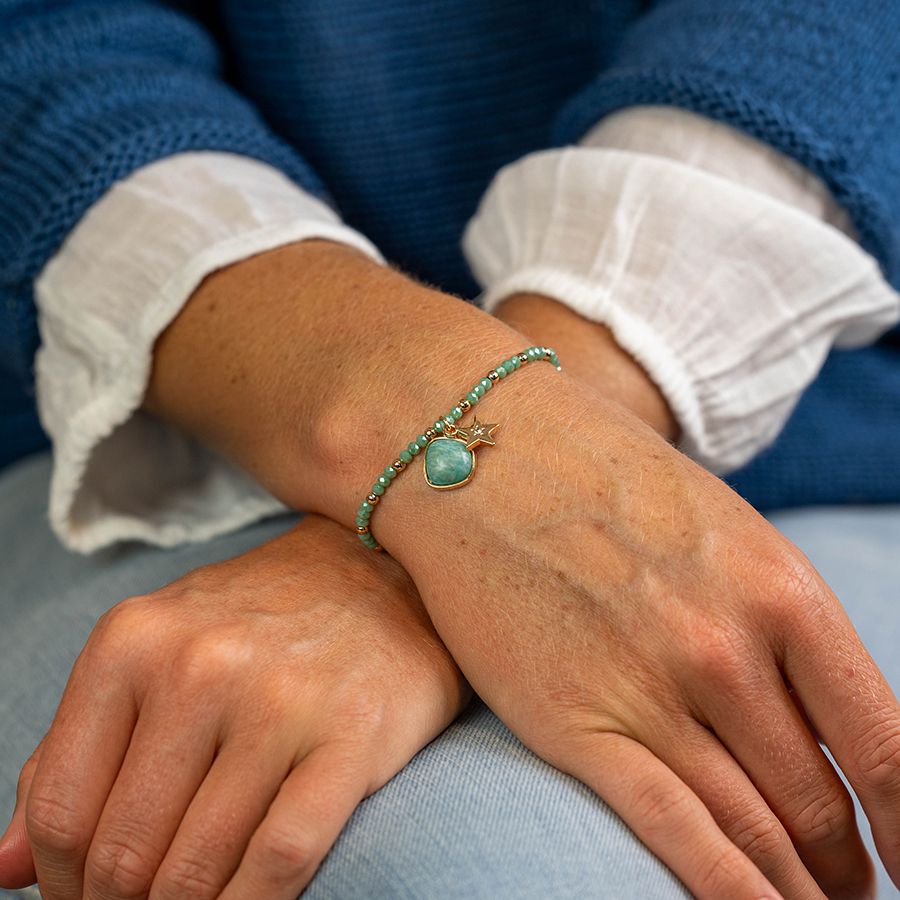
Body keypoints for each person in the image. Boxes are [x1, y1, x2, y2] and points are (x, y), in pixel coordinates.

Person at [1, 1, 899, 898]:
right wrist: (433, 461)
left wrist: (436, 537)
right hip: (150, 440)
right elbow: (43, 57)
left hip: (829, 438)